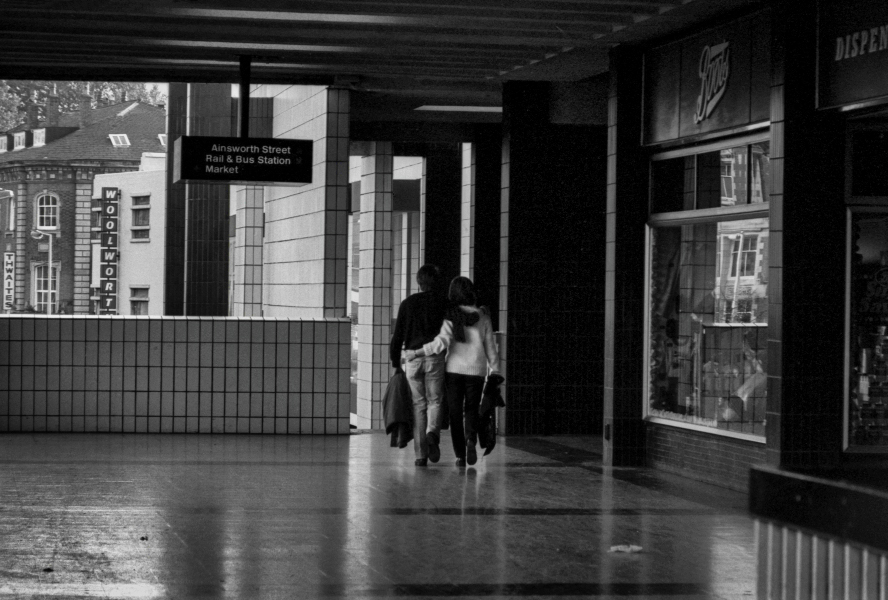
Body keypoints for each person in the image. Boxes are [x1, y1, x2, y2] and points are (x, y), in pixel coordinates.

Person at [407, 276, 501, 467]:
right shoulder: (483, 317)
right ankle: (470, 440)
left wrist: (417, 352)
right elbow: (491, 347)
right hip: (477, 371)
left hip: (454, 370)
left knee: (455, 413)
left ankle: (460, 455)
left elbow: (440, 342)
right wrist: (496, 370)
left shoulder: (451, 315)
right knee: (471, 410)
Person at [390, 264, 448, 467]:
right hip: (434, 357)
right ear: (435, 281)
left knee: (418, 405)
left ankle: (420, 455)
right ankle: (432, 433)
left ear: (418, 282)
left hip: (412, 359)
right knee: (435, 400)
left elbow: (397, 336)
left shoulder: (408, 304)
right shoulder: (443, 302)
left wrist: (395, 361)